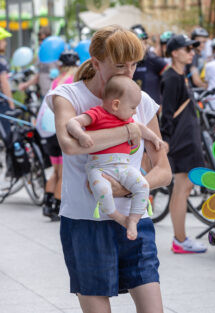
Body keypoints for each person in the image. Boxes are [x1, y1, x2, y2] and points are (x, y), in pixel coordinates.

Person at [45, 25, 171, 312]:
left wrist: (127, 188)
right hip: (85, 223)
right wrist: (129, 132)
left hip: (136, 221)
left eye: (134, 64)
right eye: (119, 65)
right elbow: (70, 144)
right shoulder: (69, 96)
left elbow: (163, 170)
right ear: (95, 60)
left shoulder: (141, 101)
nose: (129, 72)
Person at [66, 75, 163, 240]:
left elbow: (141, 128)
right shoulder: (97, 113)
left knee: (143, 186)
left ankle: (133, 219)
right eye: (133, 108)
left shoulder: (128, 120)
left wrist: (154, 138)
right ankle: (118, 217)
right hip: (99, 168)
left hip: (124, 167)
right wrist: (81, 135)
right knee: (102, 190)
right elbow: (72, 123)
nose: (135, 112)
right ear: (116, 104)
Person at [160, 34, 207, 254]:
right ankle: (180, 239)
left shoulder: (180, 75)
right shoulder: (171, 78)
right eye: (187, 49)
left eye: (192, 49)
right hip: (182, 139)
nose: (191, 52)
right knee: (182, 188)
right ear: (174, 52)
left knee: (184, 187)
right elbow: (167, 113)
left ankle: (180, 238)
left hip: (188, 137)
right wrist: (166, 139)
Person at [37, 50, 80, 221]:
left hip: (48, 131)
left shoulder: (56, 81)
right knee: (64, 173)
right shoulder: (73, 82)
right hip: (60, 130)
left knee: (55, 171)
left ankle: (47, 204)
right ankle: (56, 205)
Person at [131, 24, 169, 105]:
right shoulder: (125, 62)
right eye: (139, 42)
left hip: (152, 110)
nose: (144, 46)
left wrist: (163, 102)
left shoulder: (152, 58)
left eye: (145, 43)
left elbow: (172, 76)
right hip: (133, 109)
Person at [19, 26, 58, 98]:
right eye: (39, 40)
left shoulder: (56, 54)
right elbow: (38, 74)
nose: (40, 42)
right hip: (44, 93)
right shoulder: (41, 55)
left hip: (55, 94)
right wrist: (26, 84)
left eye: (43, 39)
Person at [0, 27, 14, 141]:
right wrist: (11, 103)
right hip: (1, 103)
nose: (5, 43)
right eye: (3, 40)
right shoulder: (1, 61)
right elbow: (4, 83)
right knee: (8, 137)